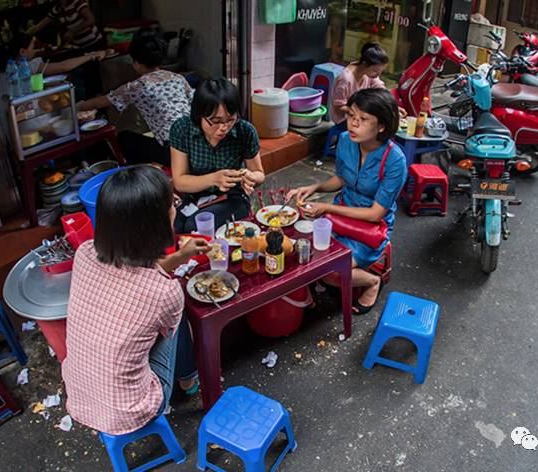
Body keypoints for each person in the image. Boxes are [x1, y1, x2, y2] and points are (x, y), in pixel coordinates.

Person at [63, 165, 208, 435]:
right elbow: (153, 293)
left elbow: (135, 277)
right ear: (156, 223)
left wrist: (178, 257)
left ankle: (185, 376)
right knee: (179, 315)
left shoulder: (83, 253)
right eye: (171, 205)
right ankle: (188, 379)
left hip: (79, 392)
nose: (174, 209)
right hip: (131, 410)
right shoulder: (164, 292)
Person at [286, 89, 407, 315]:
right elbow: (342, 178)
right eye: (351, 115)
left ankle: (372, 282)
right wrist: (314, 188)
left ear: (381, 126)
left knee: (331, 272)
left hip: (369, 228)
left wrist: (326, 207)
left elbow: (375, 214)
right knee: (300, 248)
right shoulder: (345, 141)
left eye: (363, 119)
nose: (353, 124)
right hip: (339, 214)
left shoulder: (395, 161)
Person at [77, 30, 193, 167]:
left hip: (176, 153)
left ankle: (143, 173)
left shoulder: (137, 87)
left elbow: (101, 101)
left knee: (124, 138)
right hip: (197, 143)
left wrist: (75, 106)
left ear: (136, 63)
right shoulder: (177, 78)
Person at [170, 77, 265, 233]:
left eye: (230, 119)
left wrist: (251, 177)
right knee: (173, 226)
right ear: (199, 114)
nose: (224, 127)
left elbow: (260, 174)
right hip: (194, 196)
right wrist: (214, 179)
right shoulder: (182, 129)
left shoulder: (245, 131)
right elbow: (180, 181)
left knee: (195, 227)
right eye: (215, 120)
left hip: (232, 197)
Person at [0, 33, 105, 98]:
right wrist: (92, 56)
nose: (35, 50)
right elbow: (63, 66)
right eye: (32, 47)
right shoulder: (25, 67)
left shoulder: (6, 68)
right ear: (22, 51)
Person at [329, 42, 406, 125]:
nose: (377, 75)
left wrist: (394, 107)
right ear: (364, 64)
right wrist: (360, 112)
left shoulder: (368, 73)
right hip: (344, 120)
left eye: (380, 72)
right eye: (375, 71)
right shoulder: (345, 79)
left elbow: (380, 89)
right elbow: (339, 107)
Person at [27, 0, 103, 52]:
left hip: (94, 43)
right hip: (79, 47)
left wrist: (73, 31)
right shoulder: (57, 9)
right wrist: (25, 35)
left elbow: (91, 19)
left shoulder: (76, 3)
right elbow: (39, 26)